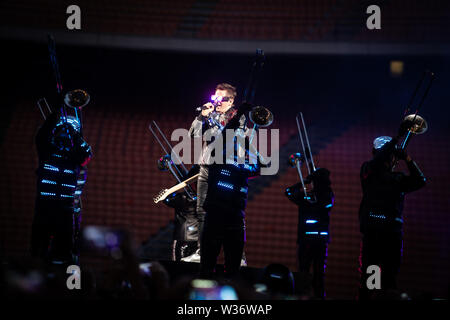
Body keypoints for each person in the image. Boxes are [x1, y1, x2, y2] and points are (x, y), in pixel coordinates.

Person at [187, 83, 256, 276]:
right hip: (208, 166)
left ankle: (237, 255)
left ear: (231, 101)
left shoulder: (238, 116)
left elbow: (230, 137)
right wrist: (202, 116)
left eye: (222, 99)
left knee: (233, 216)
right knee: (202, 211)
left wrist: (214, 124)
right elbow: (194, 134)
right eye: (215, 98)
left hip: (228, 170)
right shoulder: (210, 113)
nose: (217, 102)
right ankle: (202, 251)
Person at [358, 123, 426, 300]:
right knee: (371, 277)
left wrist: (407, 158)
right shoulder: (368, 170)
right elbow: (377, 162)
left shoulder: (398, 178)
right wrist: (396, 140)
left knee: (389, 278)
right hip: (373, 231)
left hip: (392, 234)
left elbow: (420, 181)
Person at [31, 112, 92, 265]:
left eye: (70, 129)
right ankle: (37, 283)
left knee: (66, 253)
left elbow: (86, 154)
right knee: (38, 250)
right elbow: (42, 135)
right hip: (44, 206)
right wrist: (56, 115)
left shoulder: (76, 157)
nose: (66, 131)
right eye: (63, 128)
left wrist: (75, 134)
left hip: (66, 209)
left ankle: (70, 286)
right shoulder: (47, 150)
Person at [285, 167, 334, 299]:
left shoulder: (321, 196)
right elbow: (288, 192)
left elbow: (289, 192)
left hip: (310, 241)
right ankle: (307, 296)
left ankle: (314, 296)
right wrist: (303, 183)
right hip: (315, 241)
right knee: (308, 274)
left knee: (312, 274)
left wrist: (303, 183)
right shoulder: (324, 195)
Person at [162, 165, 200, 261]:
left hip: (185, 239)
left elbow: (166, 199)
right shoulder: (204, 198)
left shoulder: (183, 198)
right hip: (194, 239)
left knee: (179, 267)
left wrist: (181, 183)